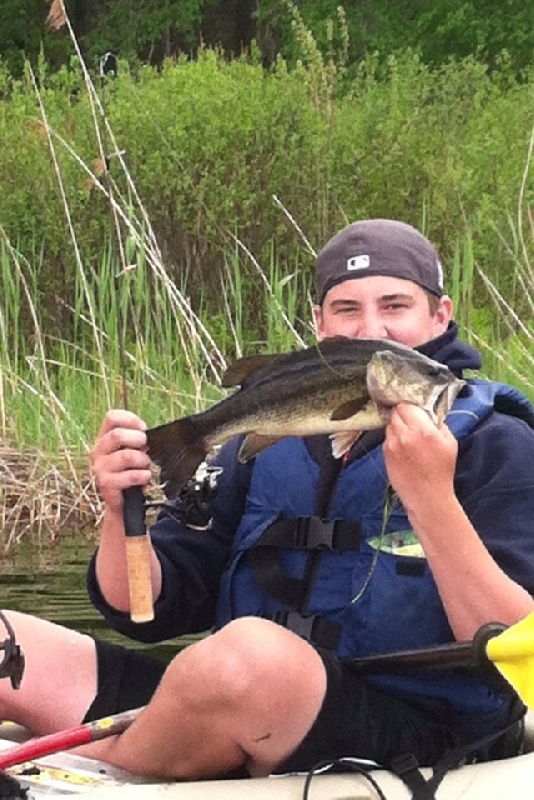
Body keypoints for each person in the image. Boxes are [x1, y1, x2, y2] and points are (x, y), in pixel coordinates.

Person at [1, 219, 534, 783]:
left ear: (440, 315)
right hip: (237, 699)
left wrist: (429, 496)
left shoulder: (498, 443)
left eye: (395, 305)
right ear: (320, 323)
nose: (370, 326)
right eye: (347, 308)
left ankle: (69, 773)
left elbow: (516, 649)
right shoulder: (266, 443)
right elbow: (147, 612)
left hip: (415, 725)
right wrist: (118, 512)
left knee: (252, 657)